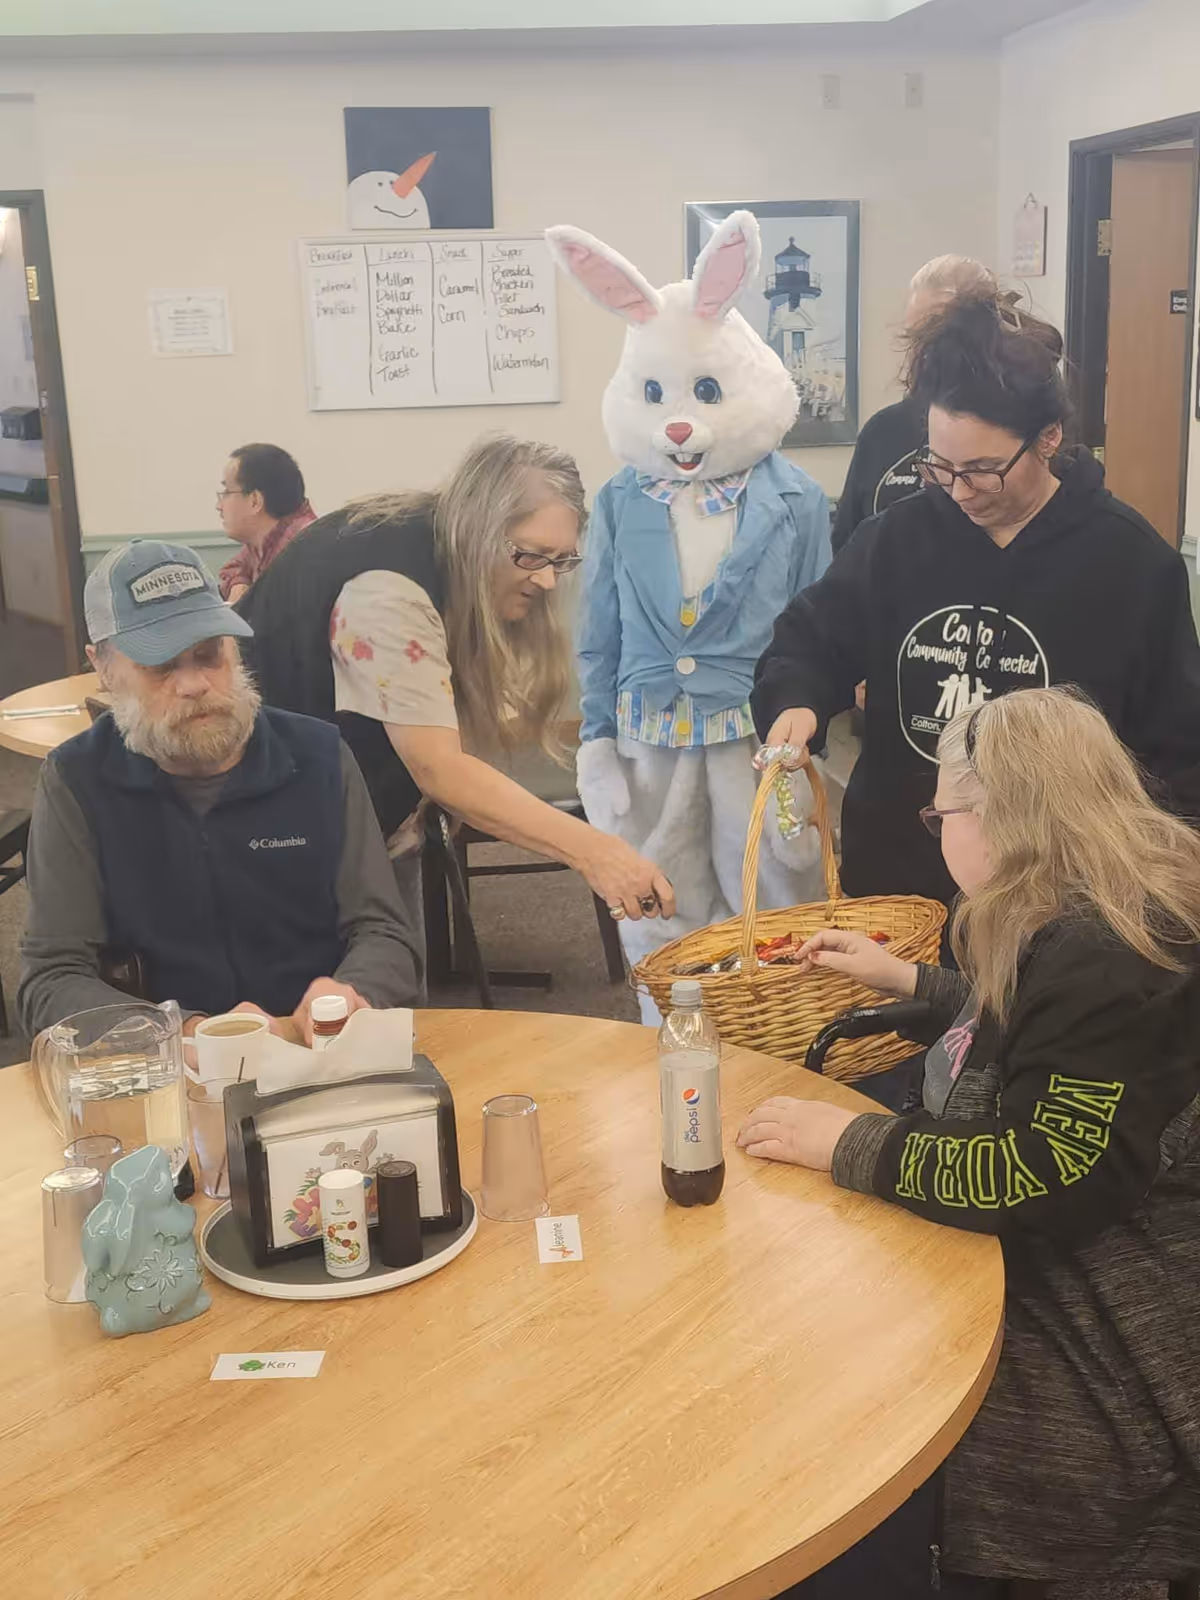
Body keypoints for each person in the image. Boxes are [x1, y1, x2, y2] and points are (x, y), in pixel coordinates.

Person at [739, 688, 1200, 1596]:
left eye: (941, 811)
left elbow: (1049, 1173)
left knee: (846, 1367)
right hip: (1130, 1226)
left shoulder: (1102, 955)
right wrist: (914, 978)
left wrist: (854, 1142)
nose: (936, 828)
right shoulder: (1110, 899)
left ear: (999, 816)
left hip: (1126, 1296)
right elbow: (1060, 1047)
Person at [753, 288, 1200, 906]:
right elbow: (810, 640)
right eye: (939, 465)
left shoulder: (1131, 563)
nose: (959, 491)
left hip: (1056, 897)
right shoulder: (898, 538)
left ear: (1048, 438)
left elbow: (1177, 752)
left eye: (984, 468)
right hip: (897, 875)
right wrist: (797, 701)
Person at [238, 434, 675, 933]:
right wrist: (596, 851)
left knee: (393, 988)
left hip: (347, 810)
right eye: (531, 556)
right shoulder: (387, 591)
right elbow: (439, 769)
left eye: (562, 561)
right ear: (478, 530)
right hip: (275, 832)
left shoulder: (436, 544)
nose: (549, 581)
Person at [18, 540, 420, 1046]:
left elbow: (385, 934)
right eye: (160, 665)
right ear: (102, 666)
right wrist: (179, 1032)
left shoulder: (319, 756)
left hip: (317, 1049)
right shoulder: (76, 780)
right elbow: (50, 981)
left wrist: (347, 992)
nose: (194, 684)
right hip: (164, 1073)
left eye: (210, 654)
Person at [831, 255, 996, 556]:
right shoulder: (882, 432)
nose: (920, 353)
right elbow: (845, 550)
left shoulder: (1012, 433)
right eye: (914, 337)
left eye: (935, 336)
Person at [217, 442, 316, 603]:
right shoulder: (262, 539)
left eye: (227, 492)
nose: (219, 506)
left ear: (255, 501)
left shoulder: (304, 550)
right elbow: (234, 568)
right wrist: (239, 584)